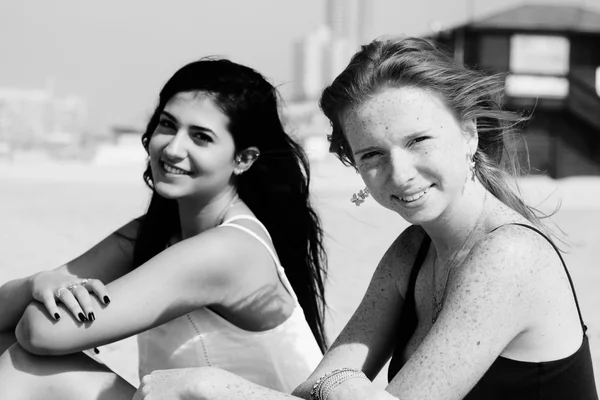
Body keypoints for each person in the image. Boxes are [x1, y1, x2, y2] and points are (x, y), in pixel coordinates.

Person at [132, 36, 598, 400]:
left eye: (419, 141)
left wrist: (214, 387)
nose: (399, 173)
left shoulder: (509, 257)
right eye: (373, 154)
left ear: (469, 134)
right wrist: (342, 387)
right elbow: (313, 387)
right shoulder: (412, 252)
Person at [0, 57, 328, 399]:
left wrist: (48, 303)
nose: (172, 148)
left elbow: (41, 332)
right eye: (168, 125)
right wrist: (37, 282)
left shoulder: (227, 249)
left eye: (200, 137)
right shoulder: (157, 232)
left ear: (243, 159)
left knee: (24, 363)